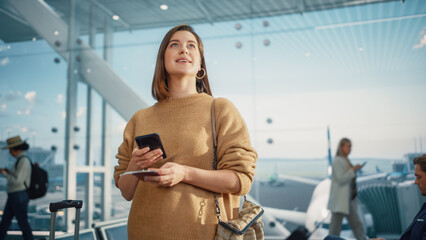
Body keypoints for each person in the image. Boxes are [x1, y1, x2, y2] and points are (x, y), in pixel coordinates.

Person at [114, 24, 258, 239]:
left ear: (201, 64)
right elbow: (126, 191)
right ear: (162, 60)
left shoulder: (219, 109)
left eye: (191, 46)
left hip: (203, 233)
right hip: (143, 233)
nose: (183, 49)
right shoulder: (140, 118)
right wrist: (137, 163)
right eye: (175, 45)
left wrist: (184, 173)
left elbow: (241, 180)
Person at [327, 138, 366, 240]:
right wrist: (353, 170)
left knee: (357, 225)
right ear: (341, 147)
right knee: (335, 229)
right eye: (348, 146)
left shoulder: (345, 160)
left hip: (348, 200)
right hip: (341, 201)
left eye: (351, 147)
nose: (350, 149)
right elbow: (341, 179)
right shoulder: (337, 161)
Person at [0, 136, 33, 240]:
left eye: (10, 150)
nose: (10, 152)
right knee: (6, 222)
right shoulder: (20, 160)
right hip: (15, 195)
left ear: (16, 149)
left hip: (18, 195)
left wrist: (5, 173)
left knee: (22, 223)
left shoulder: (23, 161)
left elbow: (18, 180)